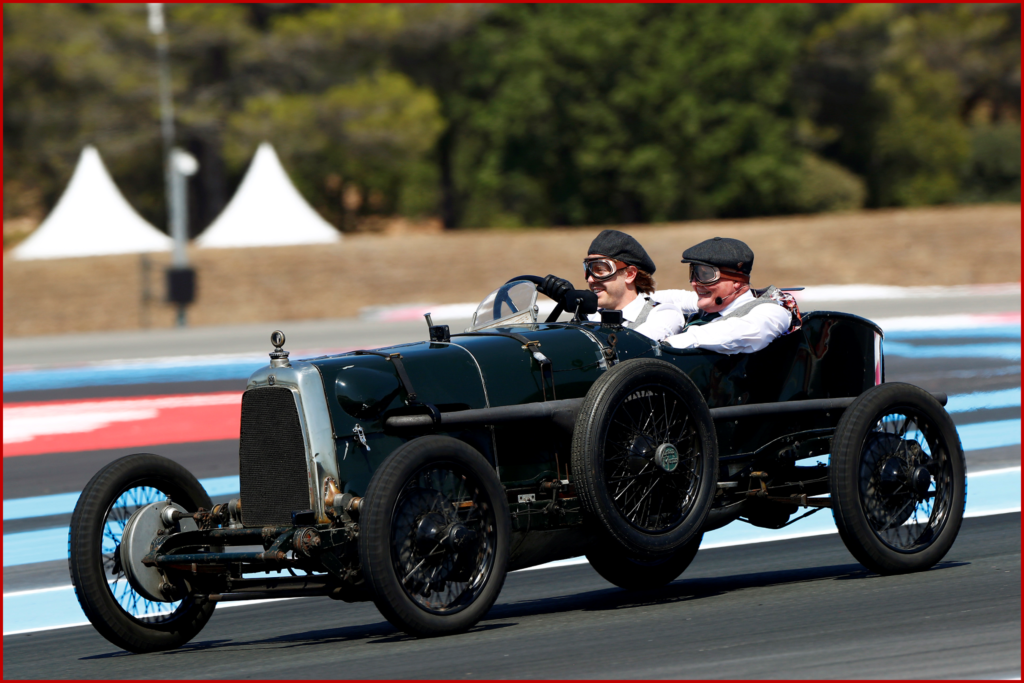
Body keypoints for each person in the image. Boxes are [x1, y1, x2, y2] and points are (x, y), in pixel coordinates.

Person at [652, 236, 797, 354]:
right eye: (693, 273)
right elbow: (675, 298)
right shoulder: (711, 303)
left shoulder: (773, 311)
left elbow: (738, 332)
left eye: (706, 275)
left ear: (737, 281)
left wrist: (667, 344)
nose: (695, 283)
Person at [539, 229, 684, 342]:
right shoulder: (592, 317)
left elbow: (630, 346)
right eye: (588, 270)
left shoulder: (663, 314)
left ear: (630, 274)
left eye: (600, 270)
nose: (590, 280)